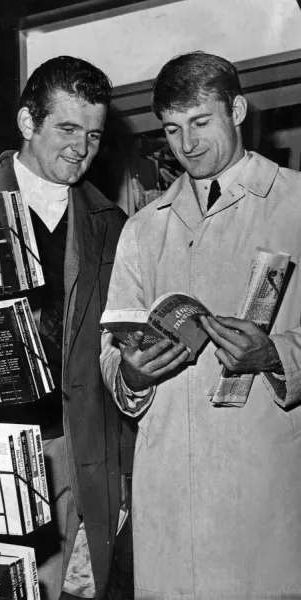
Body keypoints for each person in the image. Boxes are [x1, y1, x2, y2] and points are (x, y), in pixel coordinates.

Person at [100, 50, 301, 599]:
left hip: (265, 499)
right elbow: (112, 350)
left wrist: (276, 354)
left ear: (236, 109)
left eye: (200, 122)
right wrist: (134, 373)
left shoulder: (297, 203)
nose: (185, 145)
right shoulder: (142, 230)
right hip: (169, 500)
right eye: (171, 129)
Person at [0, 55, 135, 600]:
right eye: (67, 128)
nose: (81, 147)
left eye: (93, 134)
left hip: (79, 447)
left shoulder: (113, 226)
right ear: (28, 123)